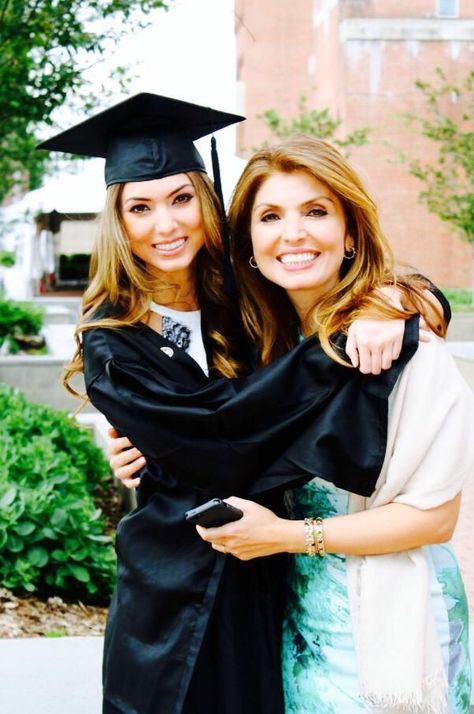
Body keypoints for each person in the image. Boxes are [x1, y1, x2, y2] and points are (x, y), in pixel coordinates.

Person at [40, 93, 448, 714]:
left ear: (206, 202)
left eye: (181, 199)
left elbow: (348, 281)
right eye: (140, 207)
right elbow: (219, 439)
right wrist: (340, 342)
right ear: (118, 222)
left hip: (270, 576)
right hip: (174, 591)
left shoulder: (248, 300)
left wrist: (390, 297)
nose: (165, 224)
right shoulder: (114, 340)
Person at [191, 136, 474, 713]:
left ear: (350, 233)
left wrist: (288, 537)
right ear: (248, 244)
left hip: (394, 618)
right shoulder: (257, 355)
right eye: (270, 216)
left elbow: (435, 518)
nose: (292, 233)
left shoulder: (405, 351)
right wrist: (137, 448)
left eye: (316, 211)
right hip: (295, 622)